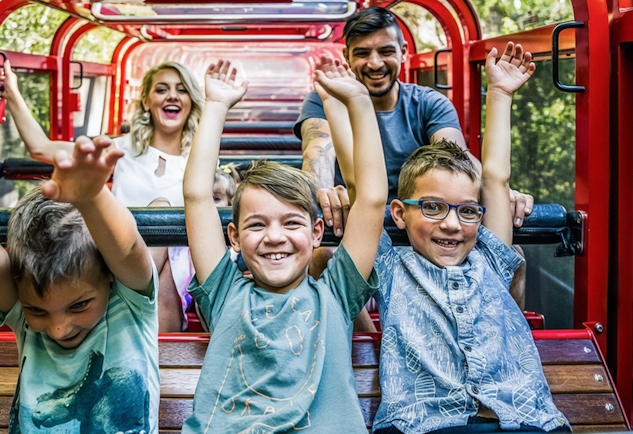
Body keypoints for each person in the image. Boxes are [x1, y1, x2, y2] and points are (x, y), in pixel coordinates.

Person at [362, 43, 570, 433]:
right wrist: (355, 104)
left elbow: (495, 177)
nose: (453, 225)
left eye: (467, 211)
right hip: (426, 424)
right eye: (432, 207)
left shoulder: (488, 259)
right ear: (398, 214)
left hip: (525, 421)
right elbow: (367, 191)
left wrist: (501, 93)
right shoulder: (392, 269)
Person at [181, 58, 386, 432]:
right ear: (234, 238)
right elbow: (196, 196)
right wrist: (216, 105)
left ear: (317, 233)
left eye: (291, 223)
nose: (275, 237)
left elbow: (372, 198)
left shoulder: (337, 295)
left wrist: (358, 100)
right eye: (257, 225)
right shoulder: (225, 293)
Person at [294, 6, 531, 311]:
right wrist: (321, 192)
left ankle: (511, 332)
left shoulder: (428, 102)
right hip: (362, 221)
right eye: (363, 53)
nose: (375, 63)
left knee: (513, 256)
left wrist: (491, 190)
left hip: (424, 219)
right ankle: (359, 350)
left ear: (404, 52)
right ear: (348, 57)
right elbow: (319, 152)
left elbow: (455, 159)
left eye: (386, 51)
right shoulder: (326, 96)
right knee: (326, 258)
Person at [0, 136, 159, 432]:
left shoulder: (132, 302)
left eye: (78, 305)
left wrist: (93, 198)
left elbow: (127, 249)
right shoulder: (20, 304)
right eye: (37, 311)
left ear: (107, 273)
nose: (58, 328)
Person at [1, 60, 204, 332]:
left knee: (166, 248)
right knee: (157, 248)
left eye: (181, 90)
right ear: (146, 102)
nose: (172, 96)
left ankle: (124, 307)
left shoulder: (200, 158)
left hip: (172, 261)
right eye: (161, 89)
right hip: (112, 251)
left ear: (190, 101)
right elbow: (41, 147)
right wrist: (12, 91)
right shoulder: (123, 148)